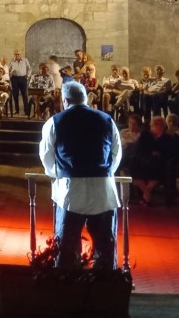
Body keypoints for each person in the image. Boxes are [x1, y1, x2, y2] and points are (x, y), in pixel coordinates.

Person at [39, 82, 122, 269]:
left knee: (66, 246)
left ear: (65, 100)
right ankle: (105, 281)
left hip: (70, 190)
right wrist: (106, 172)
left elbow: (46, 157)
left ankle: (66, 281)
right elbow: (116, 154)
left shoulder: (54, 122)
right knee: (105, 245)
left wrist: (59, 173)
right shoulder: (107, 120)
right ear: (85, 99)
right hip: (103, 189)